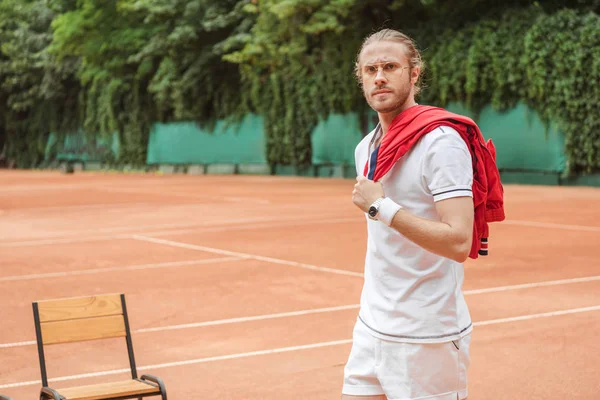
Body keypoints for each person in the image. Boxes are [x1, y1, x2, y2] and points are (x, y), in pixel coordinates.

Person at [343, 28, 488, 400]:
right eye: (370, 69)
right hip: (372, 325)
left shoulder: (440, 142)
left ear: (414, 73)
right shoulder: (366, 147)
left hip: (428, 334)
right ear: (360, 77)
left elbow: (458, 240)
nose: (379, 77)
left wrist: (381, 207)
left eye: (390, 66)